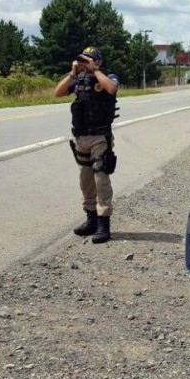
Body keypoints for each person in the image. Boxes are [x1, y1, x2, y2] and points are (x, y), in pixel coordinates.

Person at [54, 46, 119, 244]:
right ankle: (90, 219)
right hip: (81, 137)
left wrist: (95, 70)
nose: (85, 63)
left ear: (98, 61)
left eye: (90, 60)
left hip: (100, 136)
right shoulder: (79, 80)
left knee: (101, 178)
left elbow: (111, 89)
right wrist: (73, 73)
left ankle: (103, 225)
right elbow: (58, 92)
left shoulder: (108, 76)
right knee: (86, 179)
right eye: (84, 60)